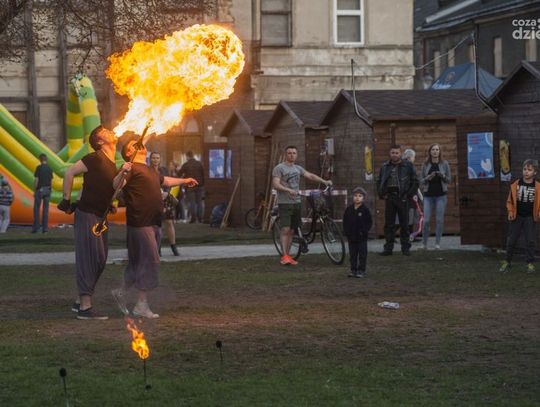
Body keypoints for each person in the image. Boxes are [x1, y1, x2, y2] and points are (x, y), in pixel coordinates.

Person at [112, 139, 197, 319]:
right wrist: (122, 172)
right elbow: (115, 186)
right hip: (141, 223)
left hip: (152, 222)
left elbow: (165, 181)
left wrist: (184, 180)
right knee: (151, 261)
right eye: (134, 144)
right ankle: (141, 305)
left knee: (137, 262)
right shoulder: (131, 168)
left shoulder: (150, 169)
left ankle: (121, 291)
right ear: (129, 153)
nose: (140, 144)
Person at [58, 126, 119, 320]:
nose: (111, 131)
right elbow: (69, 172)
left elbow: (101, 187)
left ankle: (80, 300)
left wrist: (110, 203)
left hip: (101, 215)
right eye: (105, 131)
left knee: (100, 259)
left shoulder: (112, 163)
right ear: (99, 141)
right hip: (87, 214)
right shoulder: (94, 158)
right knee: (89, 257)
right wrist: (66, 200)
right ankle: (85, 307)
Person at [272, 145, 332, 266]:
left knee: (292, 230)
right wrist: (288, 190)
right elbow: (276, 184)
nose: (292, 155)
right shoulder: (279, 168)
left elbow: (310, 175)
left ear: (297, 155)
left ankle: (288, 256)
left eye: (294, 153)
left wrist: (324, 181)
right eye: (289, 153)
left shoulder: (298, 168)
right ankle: (284, 256)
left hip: (297, 202)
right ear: (285, 154)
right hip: (285, 203)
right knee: (285, 229)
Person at [377, 145, 418, 256]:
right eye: (392, 153)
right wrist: (382, 194)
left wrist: (408, 195)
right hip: (390, 197)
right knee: (389, 225)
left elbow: (415, 181)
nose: (394, 155)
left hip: (403, 197)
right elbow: (379, 181)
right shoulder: (385, 166)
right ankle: (388, 248)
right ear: (389, 154)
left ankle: (405, 248)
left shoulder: (408, 165)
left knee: (405, 224)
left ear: (400, 154)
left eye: (397, 153)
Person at [500, 159, 540, 274]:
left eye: (529, 170)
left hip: (530, 218)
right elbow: (510, 201)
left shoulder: (538, 187)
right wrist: (510, 212)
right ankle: (507, 261)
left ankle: (530, 263)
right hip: (517, 217)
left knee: (530, 241)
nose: (526, 172)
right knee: (511, 240)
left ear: (535, 172)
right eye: (524, 169)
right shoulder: (515, 185)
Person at [419, 143, 451, 250]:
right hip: (428, 196)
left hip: (441, 196)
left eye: (437, 149)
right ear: (430, 151)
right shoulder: (425, 164)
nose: (435, 151)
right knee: (426, 220)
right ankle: (424, 244)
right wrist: (428, 178)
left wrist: (443, 176)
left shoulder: (445, 163)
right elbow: (421, 181)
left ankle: (437, 243)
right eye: (433, 149)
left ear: (440, 152)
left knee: (439, 220)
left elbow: (449, 180)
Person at [149, 152, 180, 256]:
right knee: (156, 224)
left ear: (160, 159)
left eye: (157, 158)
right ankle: (157, 248)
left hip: (165, 199)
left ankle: (174, 247)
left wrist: (166, 192)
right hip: (153, 200)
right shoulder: (147, 170)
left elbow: (168, 182)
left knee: (169, 222)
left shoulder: (164, 170)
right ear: (150, 159)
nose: (155, 160)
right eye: (153, 158)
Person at [342, 187, 372, 278]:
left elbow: (369, 222)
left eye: (360, 196)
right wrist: (347, 232)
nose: (357, 198)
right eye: (355, 196)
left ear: (363, 198)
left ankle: (361, 270)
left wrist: (364, 231)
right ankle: (353, 270)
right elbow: (345, 222)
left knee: (362, 254)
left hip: (362, 237)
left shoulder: (365, 210)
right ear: (352, 197)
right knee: (353, 255)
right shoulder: (349, 209)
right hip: (351, 237)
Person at [178, 151, 205, 223]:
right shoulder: (199, 164)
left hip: (190, 186)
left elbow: (179, 174)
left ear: (187, 156)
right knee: (199, 203)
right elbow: (203, 174)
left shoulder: (186, 165)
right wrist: (203, 184)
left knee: (192, 203)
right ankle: (200, 219)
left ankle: (193, 218)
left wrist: (184, 178)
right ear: (193, 155)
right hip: (199, 186)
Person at [32, 153, 53, 233]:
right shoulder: (49, 168)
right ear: (46, 159)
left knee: (36, 209)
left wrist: (35, 190)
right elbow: (51, 180)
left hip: (40, 190)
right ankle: (45, 228)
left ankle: (36, 228)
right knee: (46, 210)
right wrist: (50, 189)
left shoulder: (39, 168)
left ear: (40, 159)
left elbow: (36, 180)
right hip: (48, 189)